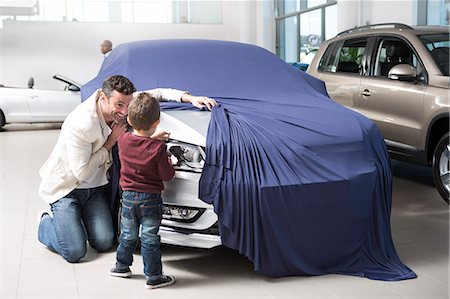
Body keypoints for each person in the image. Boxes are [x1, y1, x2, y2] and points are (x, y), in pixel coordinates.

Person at [37, 75, 216, 263]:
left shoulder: (123, 100)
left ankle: (75, 221)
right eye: (119, 105)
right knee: (74, 251)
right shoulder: (81, 124)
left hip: (95, 189)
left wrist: (190, 98)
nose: (124, 112)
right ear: (103, 98)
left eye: (127, 105)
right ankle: (45, 224)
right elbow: (81, 173)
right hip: (68, 188)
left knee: (105, 241)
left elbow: (158, 93)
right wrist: (111, 142)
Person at [110, 92, 175, 289]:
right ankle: (154, 276)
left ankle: (121, 267)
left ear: (129, 119)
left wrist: (152, 139)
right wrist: (169, 161)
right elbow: (166, 175)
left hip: (128, 198)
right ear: (157, 122)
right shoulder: (158, 148)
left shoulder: (122, 140)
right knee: (149, 238)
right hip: (151, 200)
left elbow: (137, 144)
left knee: (128, 235)